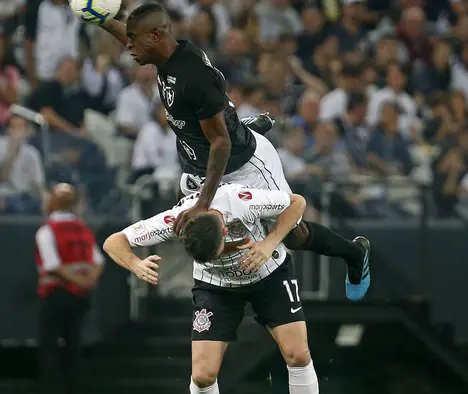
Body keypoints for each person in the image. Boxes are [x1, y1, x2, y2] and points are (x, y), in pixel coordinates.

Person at [95, 3, 371, 300]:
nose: (128, 46)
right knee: (192, 220)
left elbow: (221, 144)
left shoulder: (193, 76)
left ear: (156, 35)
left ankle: (355, 253)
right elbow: (136, 38)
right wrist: (101, 20)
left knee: (293, 233)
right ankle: (236, 125)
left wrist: (204, 203)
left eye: (133, 39)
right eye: (129, 37)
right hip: (201, 160)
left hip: (241, 161)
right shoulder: (164, 53)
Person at [103, 184, 323, 394]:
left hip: (269, 274)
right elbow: (114, 241)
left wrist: (269, 243)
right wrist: (135, 263)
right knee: (203, 375)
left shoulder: (243, 201)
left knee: (298, 354)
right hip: (216, 288)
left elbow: (296, 202)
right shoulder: (175, 219)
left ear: (226, 230)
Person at [34, 183, 105, 394]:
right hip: (81, 298)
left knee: (49, 347)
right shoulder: (83, 230)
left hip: (56, 294)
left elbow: (52, 265)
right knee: (73, 347)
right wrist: (87, 282)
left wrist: (74, 281)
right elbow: (97, 261)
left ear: (53, 202)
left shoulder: (48, 231)